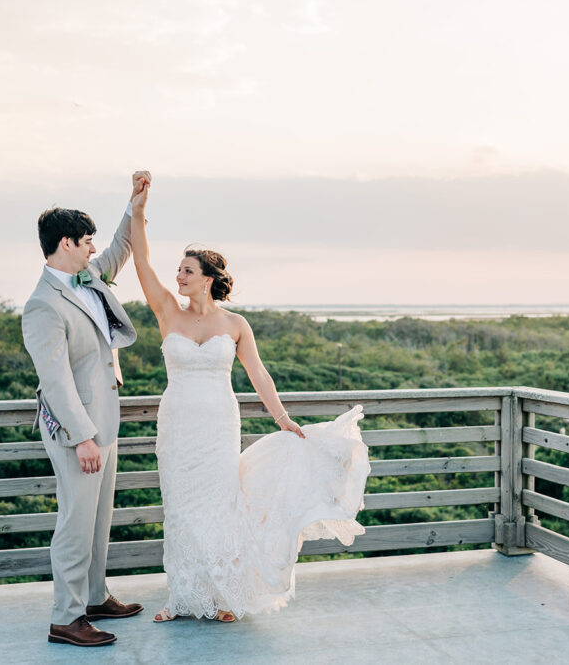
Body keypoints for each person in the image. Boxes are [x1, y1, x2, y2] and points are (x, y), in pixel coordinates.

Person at [128, 175, 370, 623]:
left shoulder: (235, 323)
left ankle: (223, 596)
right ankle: (183, 597)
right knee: (180, 507)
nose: (178, 276)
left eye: (187, 271)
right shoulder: (167, 312)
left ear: (207, 280)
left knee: (220, 504)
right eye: (178, 270)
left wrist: (282, 418)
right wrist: (137, 208)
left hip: (219, 424)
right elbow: (140, 260)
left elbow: (258, 373)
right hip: (178, 423)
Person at [21, 171, 151, 647]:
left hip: (105, 420)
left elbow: (121, 246)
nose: (94, 248)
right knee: (76, 522)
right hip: (77, 431)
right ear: (65, 242)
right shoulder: (42, 306)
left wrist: (133, 204)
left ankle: (95, 597)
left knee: (99, 519)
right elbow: (55, 382)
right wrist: (83, 437)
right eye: (86, 241)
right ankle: (66, 617)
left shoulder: (89, 275)